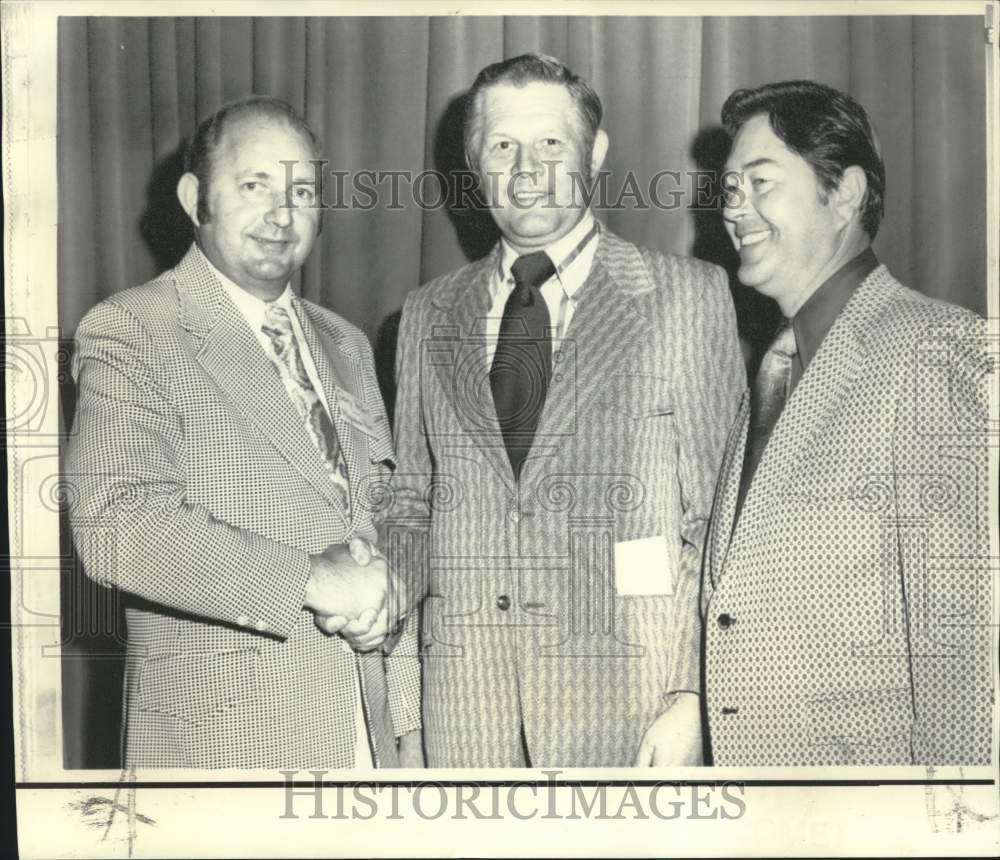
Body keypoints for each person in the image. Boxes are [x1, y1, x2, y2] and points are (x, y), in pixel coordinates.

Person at [385, 54, 745, 767]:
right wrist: (404, 707)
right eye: (501, 145)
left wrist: (694, 697)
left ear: (596, 152)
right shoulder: (425, 315)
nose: (527, 168)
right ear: (473, 165)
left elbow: (720, 521)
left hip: (634, 712)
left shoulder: (686, 296)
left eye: (551, 142)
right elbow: (409, 506)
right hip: (465, 719)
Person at [66, 96, 422, 769]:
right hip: (225, 749)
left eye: (302, 190)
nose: (281, 214)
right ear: (194, 196)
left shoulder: (344, 342)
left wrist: (391, 593)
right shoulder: (133, 328)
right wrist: (312, 582)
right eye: (254, 185)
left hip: (372, 738)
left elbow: (392, 506)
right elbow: (117, 524)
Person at [703, 79, 992, 765]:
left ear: (846, 193)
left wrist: (950, 824)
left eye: (759, 182)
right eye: (729, 190)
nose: (734, 208)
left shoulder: (938, 348)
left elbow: (966, 641)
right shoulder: (777, 367)